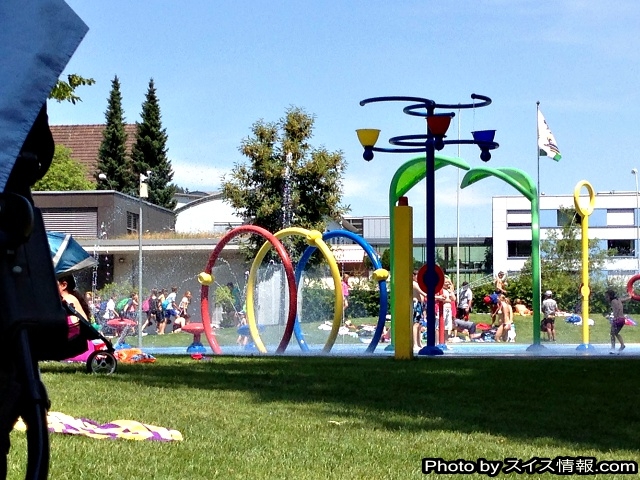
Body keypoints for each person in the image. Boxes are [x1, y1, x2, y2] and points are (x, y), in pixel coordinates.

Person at [605, 289, 626, 354]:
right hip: (622, 319)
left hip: (618, 319)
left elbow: (617, 309)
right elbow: (624, 300)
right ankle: (622, 345)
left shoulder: (613, 301)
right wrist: (630, 296)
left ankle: (612, 348)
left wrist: (615, 317)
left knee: (612, 333)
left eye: (607, 297)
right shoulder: (618, 299)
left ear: (610, 296)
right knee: (615, 333)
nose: (606, 298)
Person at [412, 270, 426, 350]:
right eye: (417, 275)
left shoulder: (418, 284)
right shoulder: (414, 284)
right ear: (413, 276)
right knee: (416, 324)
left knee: (419, 325)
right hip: (416, 304)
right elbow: (424, 293)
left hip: (420, 305)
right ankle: (415, 344)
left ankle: (419, 343)